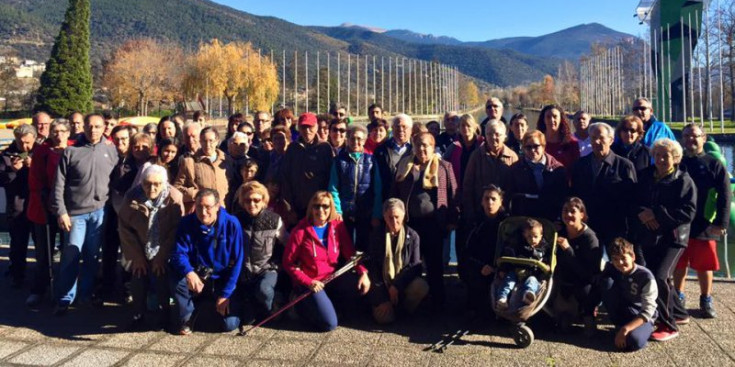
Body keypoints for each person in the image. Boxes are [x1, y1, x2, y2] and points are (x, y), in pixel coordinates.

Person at [51, 114, 118, 315]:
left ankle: (85, 295)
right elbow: (58, 184)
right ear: (83, 127)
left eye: (98, 126)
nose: (93, 130)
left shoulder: (111, 149)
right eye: (90, 126)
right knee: (71, 255)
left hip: (99, 212)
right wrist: (61, 211)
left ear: (104, 127)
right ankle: (64, 298)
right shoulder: (71, 151)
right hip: (75, 214)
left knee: (91, 257)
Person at [631, 138, 696, 342]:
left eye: (665, 156)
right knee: (655, 274)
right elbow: (633, 200)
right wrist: (642, 212)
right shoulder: (646, 176)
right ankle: (679, 312)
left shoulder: (683, 180)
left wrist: (657, 214)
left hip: (674, 237)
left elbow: (688, 212)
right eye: (657, 155)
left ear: (675, 158)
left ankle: (668, 325)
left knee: (660, 276)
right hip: (651, 236)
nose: (660, 159)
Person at [282, 191, 370, 331]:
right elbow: (288, 263)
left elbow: (349, 253)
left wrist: (363, 272)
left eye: (325, 206)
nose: (321, 210)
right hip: (311, 282)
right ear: (311, 208)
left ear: (331, 209)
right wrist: (308, 282)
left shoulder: (337, 227)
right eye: (316, 206)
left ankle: (330, 304)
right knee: (329, 324)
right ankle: (300, 306)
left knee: (359, 289)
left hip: (331, 278)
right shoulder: (300, 231)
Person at [391, 132, 457, 308]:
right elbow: (395, 192)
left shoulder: (443, 167)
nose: (422, 149)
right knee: (412, 262)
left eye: (426, 145)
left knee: (435, 263)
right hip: (411, 224)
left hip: (434, 223)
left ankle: (438, 301)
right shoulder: (405, 165)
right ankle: (416, 298)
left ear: (433, 146)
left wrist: (452, 219)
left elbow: (453, 194)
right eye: (418, 145)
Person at [674, 123, 731, 320]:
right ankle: (678, 297)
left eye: (695, 136)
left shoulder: (714, 164)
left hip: (705, 223)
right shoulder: (677, 163)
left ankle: (706, 298)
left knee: (704, 265)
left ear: (703, 139)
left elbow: (725, 195)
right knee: (678, 263)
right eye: (687, 136)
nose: (691, 139)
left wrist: (722, 223)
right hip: (679, 222)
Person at [169, 189, 243, 334]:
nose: (203, 212)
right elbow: (178, 253)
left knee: (229, 325)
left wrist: (226, 294)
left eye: (208, 207)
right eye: (199, 207)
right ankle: (187, 316)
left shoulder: (231, 224)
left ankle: (230, 305)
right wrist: (189, 272)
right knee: (176, 274)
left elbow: (238, 261)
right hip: (197, 276)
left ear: (217, 206)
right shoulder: (186, 223)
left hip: (221, 278)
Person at [118, 165, 183, 329]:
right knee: (138, 275)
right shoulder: (132, 196)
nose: (151, 188)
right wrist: (137, 256)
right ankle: (138, 314)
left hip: (163, 247)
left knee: (161, 274)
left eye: (156, 184)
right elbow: (125, 228)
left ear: (165, 183)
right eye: (147, 183)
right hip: (140, 245)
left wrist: (161, 256)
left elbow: (175, 230)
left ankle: (165, 314)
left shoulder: (174, 198)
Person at [26, 119, 71, 306]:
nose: (58, 134)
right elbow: (34, 179)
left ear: (68, 133)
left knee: (69, 251)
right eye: (55, 130)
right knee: (44, 252)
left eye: (62, 130)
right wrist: (43, 195)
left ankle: (66, 290)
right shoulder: (42, 152)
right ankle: (40, 289)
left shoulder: (74, 150)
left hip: (69, 209)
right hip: (44, 208)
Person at [570, 123, 637, 246]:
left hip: (615, 227)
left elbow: (631, 200)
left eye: (601, 138)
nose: (596, 141)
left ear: (611, 140)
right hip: (587, 226)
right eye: (593, 138)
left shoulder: (624, 166)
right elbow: (574, 195)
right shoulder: (579, 165)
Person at [233, 182, 288, 323]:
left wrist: (280, 264)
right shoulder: (236, 220)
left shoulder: (275, 219)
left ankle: (271, 306)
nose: (252, 204)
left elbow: (287, 242)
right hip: (245, 271)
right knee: (247, 320)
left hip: (267, 268)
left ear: (263, 201)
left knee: (264, 291)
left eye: (256, 200)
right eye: (248, 200)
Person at [368, 198, 428, 324]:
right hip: (382, 286)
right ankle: (385, 306)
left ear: (404, 216)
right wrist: (384, 298)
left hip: (402, 284)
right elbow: (373, 269)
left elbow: (415, 266)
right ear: (384, 217)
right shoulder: (376, 236)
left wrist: (396, 285)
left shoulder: (413, 236)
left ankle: (403, 310)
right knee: (385, 320)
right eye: (390, 217)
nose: (394, 221)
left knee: (421, 286)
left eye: (397, 217)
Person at [554, 197, 603, 335]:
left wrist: (568, 250)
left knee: (585, 291)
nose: (568, 214)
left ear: (582, 214)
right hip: (563, 279)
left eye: (572, 211)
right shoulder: (561, 232)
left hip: (584, 281)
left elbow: (588, 272)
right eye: (565, 211)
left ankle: (588, 312)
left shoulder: (590, 238)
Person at [601, 238, 658, 351]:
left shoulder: (645, 277)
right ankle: (619, 324)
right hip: (624, 310)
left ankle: (637, 330)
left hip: (641, 315)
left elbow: (648, 311)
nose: (620, 263)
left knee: (634, 341)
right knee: (604, 282)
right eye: (615, 259)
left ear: (632, 257)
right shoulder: (612, 268)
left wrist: (625, 329)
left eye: (623, 258)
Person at [328, 124, 378, 252]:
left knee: (364, 247)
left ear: (365, 140)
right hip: (345, 212)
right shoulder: (339, 161)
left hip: (366, 211)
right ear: (347, 139)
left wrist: (376, 213)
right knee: (345, 247)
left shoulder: (371, 161)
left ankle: (363, 271)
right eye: (352, 138)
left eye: (359, 139)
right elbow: (333, 188)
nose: (356, 142)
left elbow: (377, 188)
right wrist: (337, 210)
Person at [0, 124, 37, 288]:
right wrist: (13, 171)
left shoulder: (41, 153)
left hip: (38, 206)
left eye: (28, 143)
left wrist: (34, 167)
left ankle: (43, 275)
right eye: (21, 142)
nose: (25, 146)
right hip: (17, 207)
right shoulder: (5, 155)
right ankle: (17, 275)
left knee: (41, 244)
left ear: (34, 139)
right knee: (18, 244)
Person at [463, 185, 509, 315]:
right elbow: (467, 252)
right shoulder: (475, 223)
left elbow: (513, 249)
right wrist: (481, 267)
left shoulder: (508, 223)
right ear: (481, 202)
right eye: (486, 199)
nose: (490, 202)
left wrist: (501, 268)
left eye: (494, 199)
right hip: (482, 267)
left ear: (501, 201)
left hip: (502, 267)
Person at [462, 119, 518, 225]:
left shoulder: (512, 156)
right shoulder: (476, 156)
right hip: (480, 213)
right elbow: (467, 185)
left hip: (505, 215)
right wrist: (469, 212)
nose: (493, 137)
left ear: (504, 136)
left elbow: (516, 187)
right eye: (489, 134)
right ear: (485, 135)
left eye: (497, 134)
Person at [279, 113, 333, 219]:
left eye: (310, 127)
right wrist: (289, 208)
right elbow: (285, 178)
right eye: (304, 127)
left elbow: (330, 178)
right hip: (297, 206)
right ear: (299, 128)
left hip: (320, 206)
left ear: (316, 127)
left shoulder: (325, 148)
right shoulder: (292, 148)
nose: (307, 131)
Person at [507, 131, 568, 221]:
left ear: (543, 146)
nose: (532, 150)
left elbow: (563, 197)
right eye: (528, 147)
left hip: (550, 220)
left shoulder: (557, 169)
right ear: (523, 148)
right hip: (525, 221)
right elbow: (510, 196)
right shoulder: (515, 170)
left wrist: (559, 219)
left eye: (536, 146)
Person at [495, 218, 550, 310]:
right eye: (529, 236)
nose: (532, 239)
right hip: (516, 270)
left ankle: (528, 295)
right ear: (524, 235)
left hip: (532, 273)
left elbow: (548, 260)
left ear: (541, 236)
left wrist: (547, 265)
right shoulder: (520, 246)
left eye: (535, 236)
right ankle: (502, 299)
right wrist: (503, 269)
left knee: (532, 281)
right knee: (508, 280)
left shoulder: (544, 249)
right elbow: (510, 256)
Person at [174, 126, 229, 213]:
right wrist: (196, 193)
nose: (207, 145)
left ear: (217, 141)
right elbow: (177, 189)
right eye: (204, 141)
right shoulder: (189, 162)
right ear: (200, 142)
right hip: (200, 213)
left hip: (222, 212)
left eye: (211, 141)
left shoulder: (227, 161)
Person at [374, 114, 414, 203]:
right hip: (387, 198)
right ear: (392, 128)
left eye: (404, 127)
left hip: (410, 200)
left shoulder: (417, 150)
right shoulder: (381, 150)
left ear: (411, 130)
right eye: (397, 126)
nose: (401, 129)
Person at [443, 114, 481, 189]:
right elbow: (444, 164)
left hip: (478, 187)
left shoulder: (482, 145)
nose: (465, 128)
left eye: (468, 125)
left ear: (474, 127)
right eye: (463, 125)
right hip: (459, 187)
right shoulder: (454, 146)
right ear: (459, 128)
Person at [537, 104, 580, 171]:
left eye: (555, 116)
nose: (552, 120)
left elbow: (577, 171)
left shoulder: (572, 143)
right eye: (548, 117)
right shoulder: (536, 141)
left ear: (561, 119)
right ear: (543, 120)